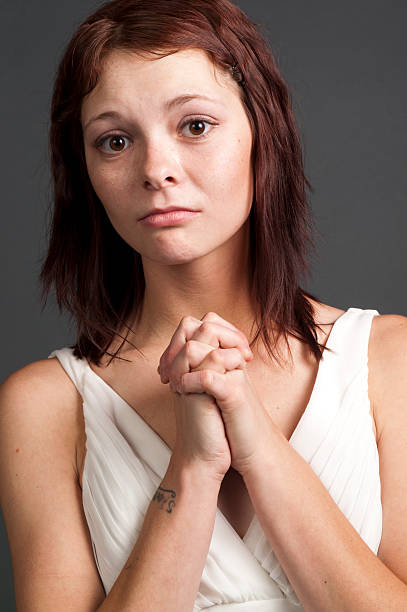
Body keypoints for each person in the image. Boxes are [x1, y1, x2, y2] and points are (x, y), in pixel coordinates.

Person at [1, 0, 406, 609]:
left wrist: (258, 445)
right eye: (114, 140)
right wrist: (192, 470)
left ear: (261, 131)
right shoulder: (45, 406)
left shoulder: (390, 362)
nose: (156, 169)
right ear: (85, 171)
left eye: (194, 125)